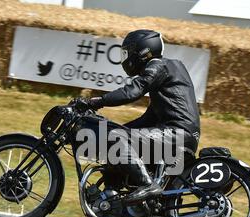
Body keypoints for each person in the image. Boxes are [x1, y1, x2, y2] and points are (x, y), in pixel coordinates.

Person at [75, 29, 201, 204]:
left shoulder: (158, 65)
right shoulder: (169, 72)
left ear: (142, 51)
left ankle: (146, 185)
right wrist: (120, 129)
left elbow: (133, 91)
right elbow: (148, 119)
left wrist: (96, 102)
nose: (126, 58)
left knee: (115, 137)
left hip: (177, 133)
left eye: (127, 53)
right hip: (180, 134)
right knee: (118, 136)